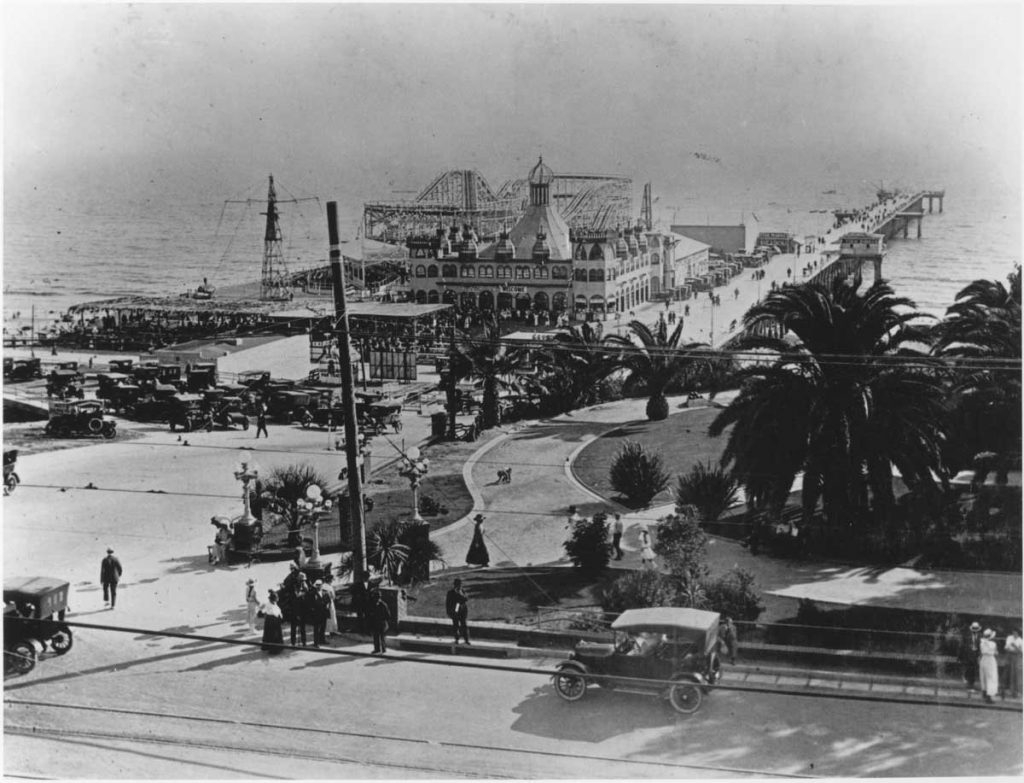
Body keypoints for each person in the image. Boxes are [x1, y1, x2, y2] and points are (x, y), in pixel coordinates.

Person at [446, 578, 470, 645]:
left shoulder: (462, 591)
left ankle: (466, 639)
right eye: (458, 585)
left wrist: (460, 593)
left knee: (464, 625)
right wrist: (448, 612)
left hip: (463, 610)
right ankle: (457, 639)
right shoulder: (451, 592)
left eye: (460, 584)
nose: (459, 586)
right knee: (455, 625)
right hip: (455, 609)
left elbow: (466, 599)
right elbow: (448, 603)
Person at [288, 573, 310, 647]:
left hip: (302, 612)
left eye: (303, 581)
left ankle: (304, 642)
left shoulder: (305, 589)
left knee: (302, 628)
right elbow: (291, 601)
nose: (302, 582)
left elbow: (306, 602)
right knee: (293, 628)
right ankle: (293, 642)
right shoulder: (293, 587)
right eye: (301, 580)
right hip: (294, 611)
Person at [961, 621, 983, 691]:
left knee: (974, 670)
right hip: (969, 654)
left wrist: (979, 654)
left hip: (976, 654)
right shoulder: (968, 636)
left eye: (976, 630)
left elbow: (981, 646)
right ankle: (969, 685)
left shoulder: (980, 636)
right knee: (969, 669)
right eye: (974, 630)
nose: (975, 631)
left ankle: (971, 684)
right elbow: (964, 645)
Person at [308, 580, 330, 647]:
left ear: (322, 585)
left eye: (320, 585)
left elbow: (328, 601)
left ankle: (322, 640)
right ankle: (316, 643)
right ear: (315, 585)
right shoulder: (312, 593)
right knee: (316, 628)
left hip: (324, 612)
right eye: (317, 585)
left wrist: (327, 606)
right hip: (316, 613)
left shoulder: (325, 592)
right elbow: (310, 603)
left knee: (323, 627)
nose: (319, 586)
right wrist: (313, 610)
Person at [980, 628, 999, 703]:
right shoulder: (993, 644)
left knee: (983, 676)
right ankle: (989, 696)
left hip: (984, 659)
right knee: (991, 677)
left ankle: (984, 692)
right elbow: (996, 653)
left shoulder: (982, 643)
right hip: (990, 660)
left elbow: (981, 652)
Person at [370, 590, 391, 654]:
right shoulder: (373, 604)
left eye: (377, 597)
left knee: (382, 637)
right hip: (375, 623)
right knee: (376, 637)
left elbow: (388, 615)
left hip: (382, 623)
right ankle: (377, 649)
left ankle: (383, 649)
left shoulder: (383, 605)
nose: (376, 599)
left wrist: (383, 620)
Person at [1005, 628, 1023, 699]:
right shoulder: (1010, 638)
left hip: (1017, 658)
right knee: (1011, 674)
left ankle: (1018, 691)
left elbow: (1021, 652)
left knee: (1018, 675)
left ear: (1018, 634)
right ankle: (1011, 691)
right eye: (1013, 633)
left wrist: (1015, 646)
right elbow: (1006, 648)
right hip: (1010, 656)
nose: (1014, 635)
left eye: (1015, 633)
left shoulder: (1021, 640)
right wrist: (1013, 649)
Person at [323, 572, 339, 637]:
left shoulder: (329, 586)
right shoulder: (325, 586)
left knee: (333, 616)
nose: (332, 581)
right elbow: (328, 595)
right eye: (332, 580)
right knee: (329, 617)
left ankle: (333, 630)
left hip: (331, 602)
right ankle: (329, 631)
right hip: (327, 603)